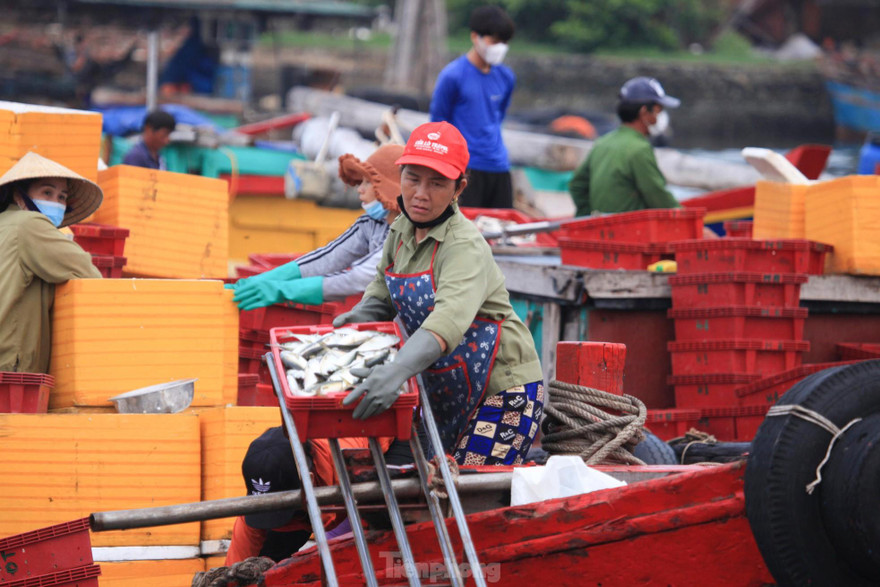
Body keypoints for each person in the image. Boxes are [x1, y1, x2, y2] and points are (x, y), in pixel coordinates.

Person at [335, 121, 544, 466]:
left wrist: (397, 370)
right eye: (413, 179)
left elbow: (445, 323)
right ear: (400, 176)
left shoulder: (463, 245)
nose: (421, 193)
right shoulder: (400, 232)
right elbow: (380, 298)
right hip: (444, 390)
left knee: (466, 494)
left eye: (437, 184)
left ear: (458, 188)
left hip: (504, 396)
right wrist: (349, 326)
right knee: (415, 481)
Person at [228, 144, 405, 311]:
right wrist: (262, 281)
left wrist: (282, 290)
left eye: (368, 182)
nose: (360, 189)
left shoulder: (407, 232)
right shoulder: (372, 223)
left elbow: (359, 278)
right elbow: (329, 256)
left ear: (388, 189)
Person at [225, 427, 397, 564]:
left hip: (393, 436)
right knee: (263, 561)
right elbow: (238, 564)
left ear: (310, 480)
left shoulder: (348, 465)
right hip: (312, 499)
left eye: (282, 507)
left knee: (383, 541)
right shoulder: (265, 496)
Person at [0, 152, 103, 374]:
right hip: (11, 368)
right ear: (19, 195)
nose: (55, 203)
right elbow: (89, 273)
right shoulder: (30, 224)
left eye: (62, 197)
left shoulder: (6, 224)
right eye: (47, 192)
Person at [429, 6, 516, 209]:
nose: (500, 47)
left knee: (502, 230)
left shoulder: (506, 77)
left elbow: (498, 116)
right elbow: (438, 124)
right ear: (475, 36)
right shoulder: (453, 76)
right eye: (494, 41)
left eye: (504, 42)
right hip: (466, 168)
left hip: (499, 165)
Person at [568, 77, 682, 216]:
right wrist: (691, 221)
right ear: (644, 112)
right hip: (631, 232)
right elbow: (657, 196)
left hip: (602, 229)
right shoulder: (639, 149)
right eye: (658, 109)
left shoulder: (603, 142)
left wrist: (590, 218)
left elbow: (577, 186)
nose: (661, 116)